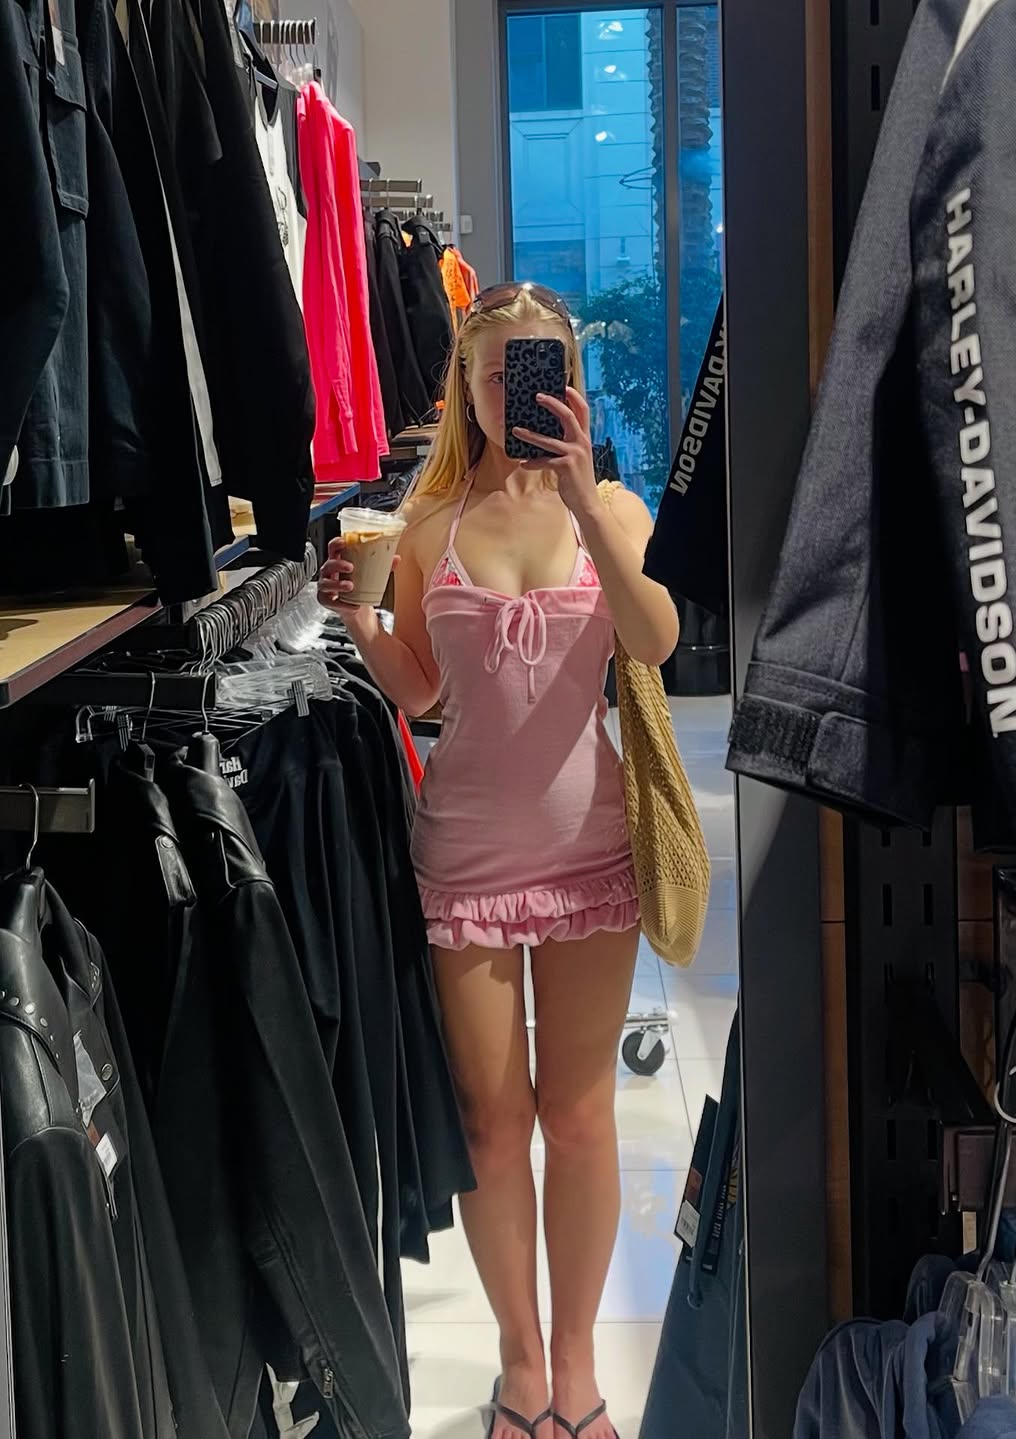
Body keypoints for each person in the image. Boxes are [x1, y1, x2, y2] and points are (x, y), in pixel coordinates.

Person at [318, 282, 679, 1439]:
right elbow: (424, 691)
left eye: (541, 371)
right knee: (490, 1121)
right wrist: (362, 623)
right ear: (467, 389)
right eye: (495, 374)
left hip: (591, 851)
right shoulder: (427, 522)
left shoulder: (611, 506)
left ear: (568, 381)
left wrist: (578, 490)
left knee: (577, 1116)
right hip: (465, 857)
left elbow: (655, 638)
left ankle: (576, 1372)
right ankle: (521, 1369)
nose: (517, 392)